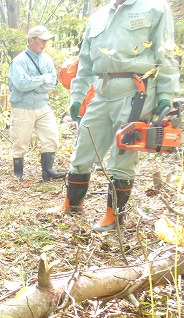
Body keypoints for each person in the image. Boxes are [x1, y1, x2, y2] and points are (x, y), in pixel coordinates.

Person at [49, 0, 180, 232]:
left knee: (124, 152)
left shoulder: (154, 8)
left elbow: (165, 53)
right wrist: (77, 96)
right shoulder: (98, 16)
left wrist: (166, 94)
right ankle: (72, 204)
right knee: (84, 146)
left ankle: (114, 215)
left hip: (136, 89)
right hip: (101, 89)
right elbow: (85, 62)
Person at [8, 25, 65, 181]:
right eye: (42, 40)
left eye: (46, 40)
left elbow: (52, 82)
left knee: (51, 136)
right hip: (23, 107)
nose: (45, 43)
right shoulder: (19, 61)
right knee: (20, 141)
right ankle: (18, 173)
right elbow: (21, 84)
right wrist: (41, 80)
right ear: (31, 40)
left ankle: (48, 171)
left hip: (42, 105)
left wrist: (34, 84)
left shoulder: (47, 59)